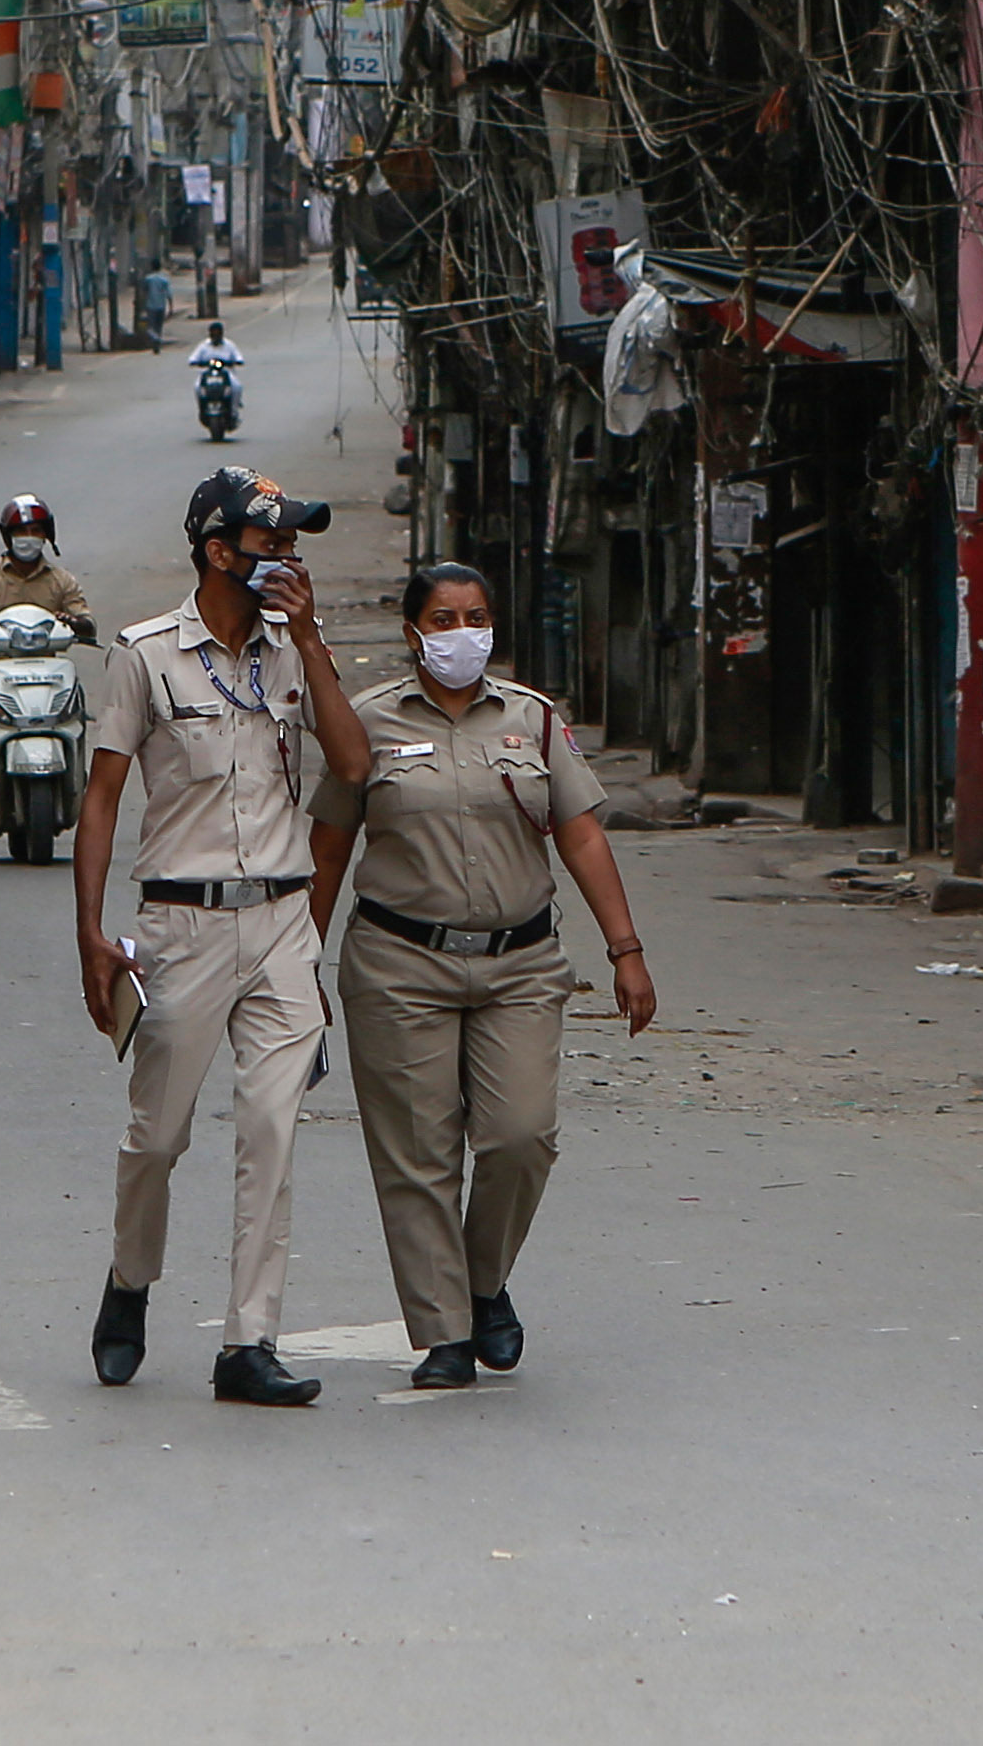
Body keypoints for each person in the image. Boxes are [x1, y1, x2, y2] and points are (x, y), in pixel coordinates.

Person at [311, 562, 654, 1387]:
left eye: (475, 616)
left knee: (520, 1134)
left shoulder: (532, 720)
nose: (461, 631)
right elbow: (329, 848)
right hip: (398, 963)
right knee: (417, 1153)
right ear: (412, 632)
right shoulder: (366, 724)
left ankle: (482, 1280)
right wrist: (298, 966)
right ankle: (445, 1335)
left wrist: (626, 950)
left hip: (522, 964)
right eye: (442, 617)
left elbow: (579, 835)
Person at [74, 467, 374, 1406]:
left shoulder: (291, 652)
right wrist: (90, 932)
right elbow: (104, 796)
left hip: (283, 918)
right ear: (219, 551)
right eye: (272, 544)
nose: (286, 560)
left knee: (273, 1130)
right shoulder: (147, 655)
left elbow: (353, 765)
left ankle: (249, 1340)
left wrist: (315, 638)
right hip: (181, 922)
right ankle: (131, 1280)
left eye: (292, 546)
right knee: (157, 1138)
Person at [0, 493, 94, 656]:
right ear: (8, 536)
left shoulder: (62, 580)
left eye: (36, 531)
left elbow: (87, 624)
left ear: (46, 535)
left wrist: (74, 623)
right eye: (21, 531)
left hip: (48, 666)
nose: (29, 537)